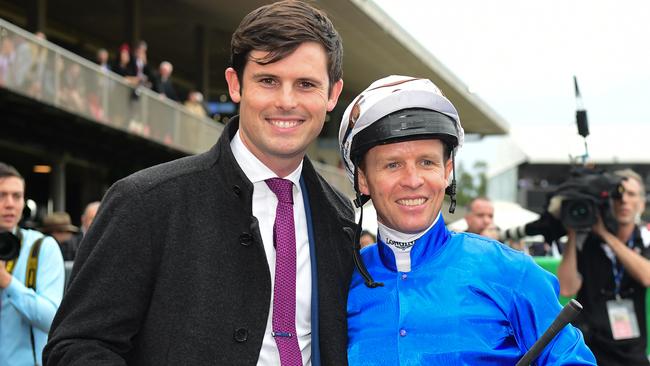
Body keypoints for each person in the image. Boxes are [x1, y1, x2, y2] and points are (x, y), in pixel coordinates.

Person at [44, 1, 354, 365]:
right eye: (268, 80)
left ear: (332, 94)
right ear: (235, 84)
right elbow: (76, 346)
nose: (286, 102)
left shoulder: (342, 217)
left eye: (306, 84)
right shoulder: (145, 201)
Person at [338, 75, 596, 365]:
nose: (412, 180)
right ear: (362, 179)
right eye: (393, 164)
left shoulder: (511, 271)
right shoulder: (337, 284)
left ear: (447, 170)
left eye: (427, 162)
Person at [558, 168, 650, 365]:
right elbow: (566, 288)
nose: (623, 200)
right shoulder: (585, 242)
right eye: (618, 194)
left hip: (632, 351)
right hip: (591, 350)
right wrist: (573, 232)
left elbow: (647, 276)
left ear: (641, 204)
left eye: (631, 194)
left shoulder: (645, 240)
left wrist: (606, 235)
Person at [0, 162, 65, 365]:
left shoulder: (42, 247)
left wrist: (7, 282)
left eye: (17, 196)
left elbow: (51, 320)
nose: (10, 204)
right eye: (1, 195)